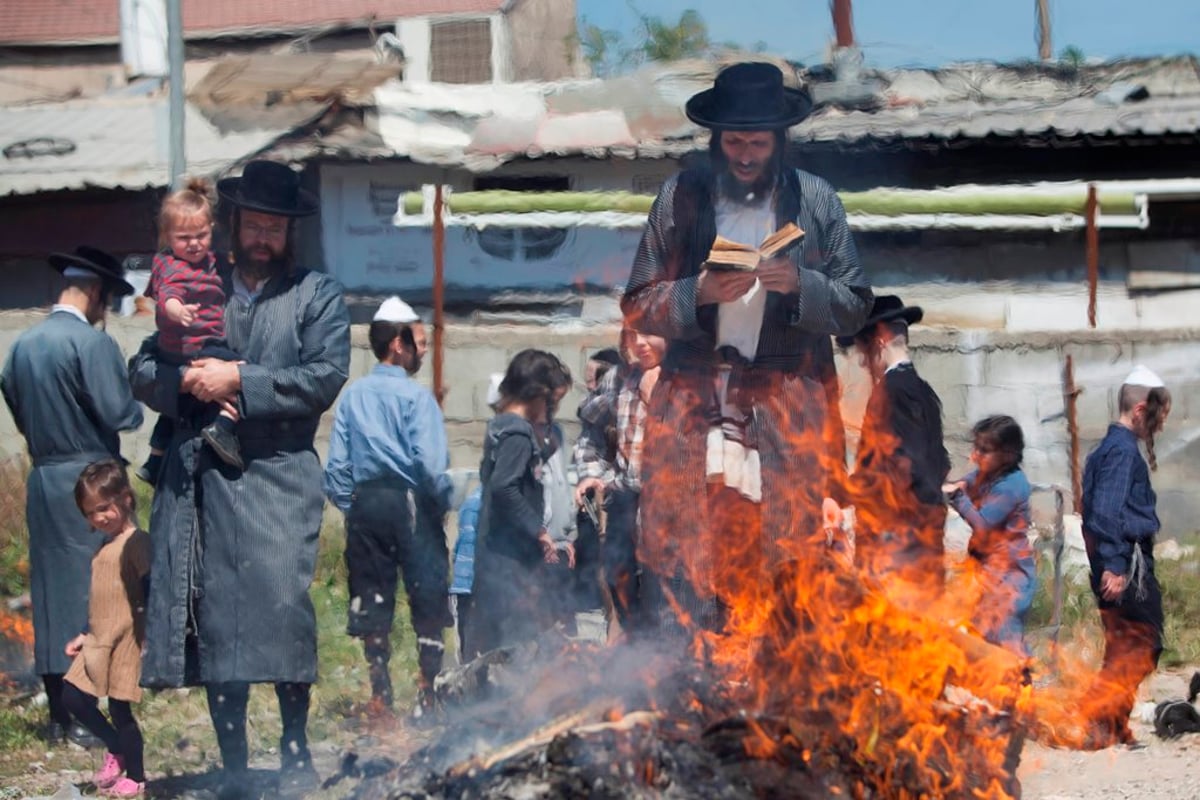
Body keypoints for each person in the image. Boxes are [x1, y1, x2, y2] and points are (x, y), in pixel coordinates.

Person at [620, 62, 872, 634]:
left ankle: (781, 679)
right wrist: (697, 292)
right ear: (716, 139)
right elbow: (637, 302)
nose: (745, 155)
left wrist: (802, 284)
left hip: (787, 404)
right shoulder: (678, 198)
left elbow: (855, 303)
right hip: (693, 404)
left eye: (758, 143)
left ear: (779, 141)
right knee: (693, 550)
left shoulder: (817, 200)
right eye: (734, 142)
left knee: (789, 556)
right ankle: (695, 673)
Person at [128, 160, 350, 797]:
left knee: (284, 610)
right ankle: (232, 760)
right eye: (253, 224)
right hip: (201, 480)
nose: (262, 237)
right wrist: (182, 383)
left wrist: (239, 382)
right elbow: (143, 368)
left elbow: (324, 377)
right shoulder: (196, 281)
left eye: (274, 227)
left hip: (278, 475)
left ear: (290, 231)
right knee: (215, 619)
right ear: (235, 225)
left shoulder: (317, 295)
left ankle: (295, 747)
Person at [1, 246, 143, 748]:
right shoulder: (91, 343)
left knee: (50, 594)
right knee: (99, 593)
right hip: (92, 481)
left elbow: (17, 410)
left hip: (44, 479)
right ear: (97, 293)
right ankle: (93, 708)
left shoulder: (20, 346)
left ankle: (60, 715)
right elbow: (120, 412)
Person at [323, 295, 452, 719]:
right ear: (398, 343)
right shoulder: (417, 400)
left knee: (372, 601)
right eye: (419, 339)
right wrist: (442, 504)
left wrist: (353, 507)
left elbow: (337, 468)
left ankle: (381, 696)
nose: (425, 348)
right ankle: (426, 694)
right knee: (427, 599)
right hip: (411, 504)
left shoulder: (353, 396)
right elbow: (431, 467)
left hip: (366, 508)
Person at [834, 296, 950, 604]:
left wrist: (842, 492)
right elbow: (938, 464)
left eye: (863, 350)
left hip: (898, 549)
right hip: (919, 544)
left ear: (881, 339)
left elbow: (900, 468)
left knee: (892, 638)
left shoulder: (893, 392)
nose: (861, 362)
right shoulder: (922, 391)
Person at [1079, 365, 1172, 749]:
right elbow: (1105, 510)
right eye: (1156, 417)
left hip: (1121, 563)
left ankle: (1109, 725)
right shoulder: (1120, 453)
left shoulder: (1111, 448)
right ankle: (1098, 716)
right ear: (1139, 410)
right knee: (1144, 642)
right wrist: (1116, 565)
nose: (1158, 427)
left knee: (1125, 645)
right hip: (1126, 567)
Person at [464, 349, 573, 657]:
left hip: (497, 551)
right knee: (515, 644)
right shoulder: (516, 433)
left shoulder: (503, 426)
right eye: (552, 402)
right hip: (509, 559)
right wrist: (538, 530)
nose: (553, 410)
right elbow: (504, 488)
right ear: (537, 394)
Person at [137, 178, 244, 484]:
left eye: (201, 235)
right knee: (242, 372)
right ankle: (223, 428)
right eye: (184, 238)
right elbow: (167, 294)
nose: (194, 243)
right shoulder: (171, 266)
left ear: (212, 228)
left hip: (187, 346)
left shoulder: (212, 262)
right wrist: (177, 310)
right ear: (168, 236)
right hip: (194, 343)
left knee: (177, 408)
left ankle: (155, 459)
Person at [62, 459, 151, 798]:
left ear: (125, 498)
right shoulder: (104, 545)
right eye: (90, 513)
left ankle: (138, 776)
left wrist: (150, 633)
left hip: (126, 638)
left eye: (103, 508)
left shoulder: (136, 542)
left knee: (119, 707)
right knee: (73, 696)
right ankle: (116, 747)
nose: (98, 518)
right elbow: (103, 597)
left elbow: (149, 587)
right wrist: (85, 632)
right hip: (99, 637)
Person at [573, 327, 665, 637]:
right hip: (626, 502)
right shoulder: (618, 378)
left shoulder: (687, 375)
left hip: (671, 507)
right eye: (631, 335)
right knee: (618, 578)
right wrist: (593, 473)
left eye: (649, 334)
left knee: (664, 595)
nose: (639, 344)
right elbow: (591, 429)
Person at [943, 415, 1035, 655]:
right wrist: (960, 484)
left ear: (1008, 454)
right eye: (975, 447)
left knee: (1006, 639)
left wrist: (957, 497)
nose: (975, 455)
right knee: (981, 634)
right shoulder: (989, 474)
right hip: (988, 574)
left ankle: (1022, 684)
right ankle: (993, 687)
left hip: (1010, 579)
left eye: (984, 450)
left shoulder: (1012, 485)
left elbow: (983, 525)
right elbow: (970, 480)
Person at [449, 373, 503, 660]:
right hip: (477, 588)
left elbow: (457, 550)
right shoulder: (486, 504)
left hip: (463, 587)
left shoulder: (472, 500)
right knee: (486, 651)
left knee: (469, 649)